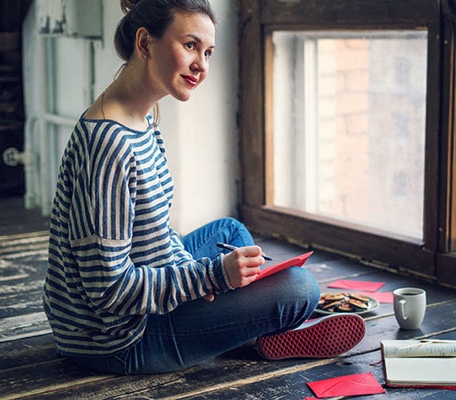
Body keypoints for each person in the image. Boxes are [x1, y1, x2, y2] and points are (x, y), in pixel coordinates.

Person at [43, 0, 365, 375]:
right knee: (301, 289)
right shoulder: (109, 146)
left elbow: (155, 231)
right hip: (116, 340)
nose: (202, 65)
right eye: (190, 46)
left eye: (208, 52)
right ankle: (252, 333)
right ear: (145, 44)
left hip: (135, 303)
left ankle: (244, 326)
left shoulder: (140, 116)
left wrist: (197, 275)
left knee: (229, 232)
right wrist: (207, 277)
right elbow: (108, 292)